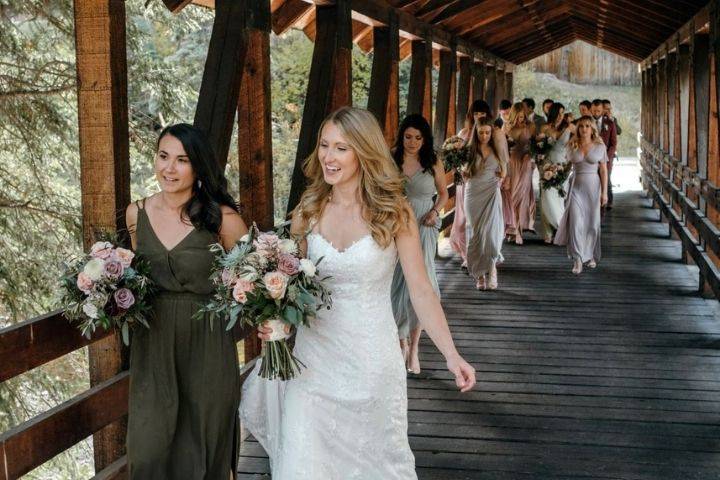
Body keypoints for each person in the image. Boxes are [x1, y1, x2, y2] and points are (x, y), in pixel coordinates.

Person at [240, 107, 476, 479]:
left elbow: (421, 290)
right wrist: (274, 320)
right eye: (324, 146)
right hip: (313, 365)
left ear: (364, 152)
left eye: (341, 148)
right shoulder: (308, 210)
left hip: (372, 365)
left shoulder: (393, 212)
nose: (328, 158)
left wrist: (451, 354)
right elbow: (291, 286)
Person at [125, 124, 248, 479]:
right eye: (163, 157)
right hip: (154, 344)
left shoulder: (223, 219)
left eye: (182, 160)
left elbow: (250, 282)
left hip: (207, 344)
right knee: (148, 448)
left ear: (198, 167)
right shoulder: (137, 214)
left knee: (202, 449)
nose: (169, 168)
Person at [390, 114, 448, 374]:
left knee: (422, 285)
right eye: (408, 137)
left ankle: (414, 348)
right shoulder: (392, 157)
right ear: (402, 137)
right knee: (395, 283)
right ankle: (400, 342)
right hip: (397, 223)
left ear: (425, 139)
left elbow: (445, 193)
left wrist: (435, 212)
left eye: (417, 138)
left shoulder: (433, 160)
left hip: (424, 224)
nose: (412, 142)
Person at [554, 116, 609, 274]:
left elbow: (603, 170)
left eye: (587, 126)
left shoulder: (599, 146)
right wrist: (554, 174)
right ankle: (578, 258)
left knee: (592, 224)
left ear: (592, 129)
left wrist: (604, 193)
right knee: (576, 223)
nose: (584, 129)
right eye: (581, 126)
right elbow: (565, 167)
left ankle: (590, 254)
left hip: (593, 187)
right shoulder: (572, 145)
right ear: (578, 129)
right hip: (576, 187)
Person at [463, 117, 508, 290]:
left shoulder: (497, 148)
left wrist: (498, 178)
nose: (484, 136)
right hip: (473, 193)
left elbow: (504, 172)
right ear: (476, 132)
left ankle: (492, 269)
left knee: (491, 235)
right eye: (481, 132)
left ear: (491, 132)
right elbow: (464, 173)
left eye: (487, 132)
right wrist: (464, 170)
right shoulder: (469, 150)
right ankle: (479, 275)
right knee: (476, 235)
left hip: (491, 193)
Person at [452, 100, 493, 268]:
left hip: (483, 184)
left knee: (479, 221)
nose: (478, 116)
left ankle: (482, 255)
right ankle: (467, 255)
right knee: (463, 220)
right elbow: (455, 157)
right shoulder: (463, 133)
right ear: (471, 115)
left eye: (482, 113)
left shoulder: (490, 134)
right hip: (465, 183)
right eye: (475, 113)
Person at [539, 103, 575, 243]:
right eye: (558, 113)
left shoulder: (569, 128)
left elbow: (577, 142)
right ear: (553, 113)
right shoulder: (544, 128)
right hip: (547, 165)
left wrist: (569, 164)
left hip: (562, 166)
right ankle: (548, 233)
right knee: (546, 197)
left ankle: (560, 230)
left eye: (562, 113)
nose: (561, 116)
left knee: (559, 199)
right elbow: (540, 149)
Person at [505, 102, 536, 244]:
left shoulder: (531, 127)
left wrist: (532, 156)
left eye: (522, 117)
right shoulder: (506, 128)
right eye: (517, 117)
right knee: (511, 196)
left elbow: (535, 146)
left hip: (525, 163)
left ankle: (519, 230)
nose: (520, 120)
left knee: (522, 196)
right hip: (512, 163)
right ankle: (512, 229)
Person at [591, 99, 617, 209]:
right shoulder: (586, 123)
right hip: (590, 159)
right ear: (591, 109)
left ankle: (603, 206)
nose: (596, 113)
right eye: (594, 111)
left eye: (598, 111)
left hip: (606, 160)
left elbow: (613, 143)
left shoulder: (610, 123)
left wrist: (607, 157)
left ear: (602, 110)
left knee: (605, 182)